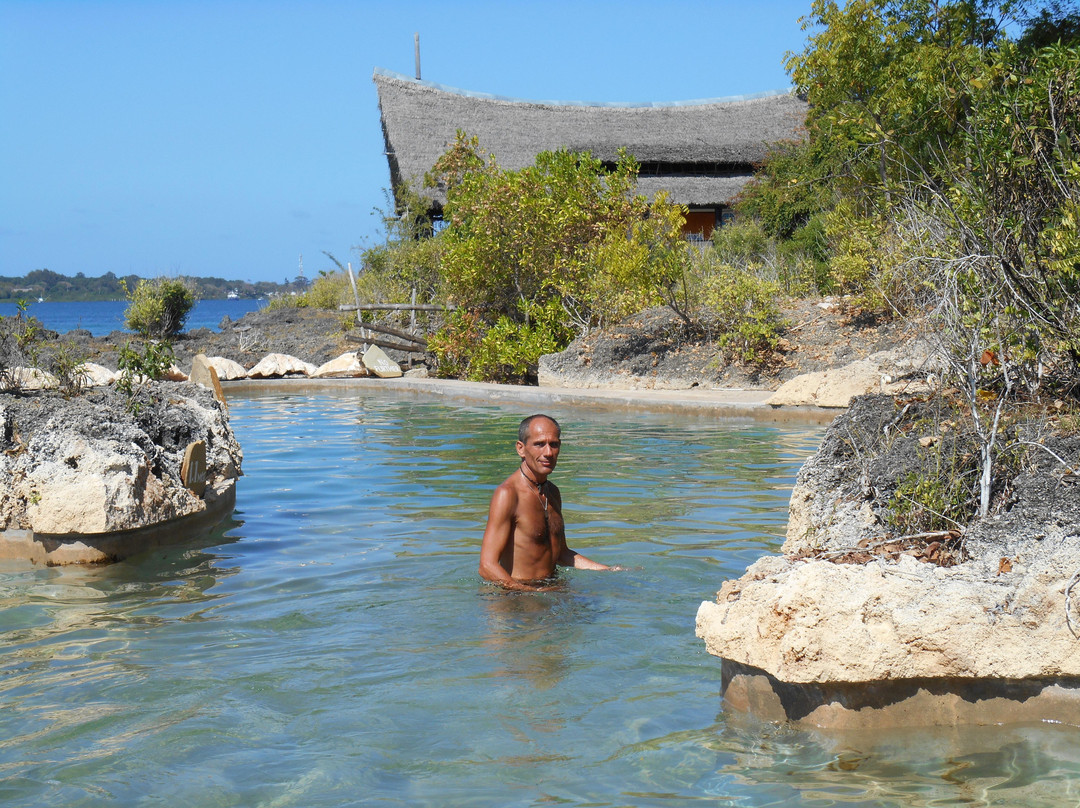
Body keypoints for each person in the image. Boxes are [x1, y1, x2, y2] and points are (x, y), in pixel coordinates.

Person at [479, 414, 618, 590]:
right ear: (520, 448)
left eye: (554, 444)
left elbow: (561, 554)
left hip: (550, 589)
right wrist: (532, 593)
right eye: (539, 444)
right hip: (517, 598)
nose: (548, 453)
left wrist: (609, 570)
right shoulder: (507, 494)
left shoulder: (552, 492)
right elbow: (487, 566)